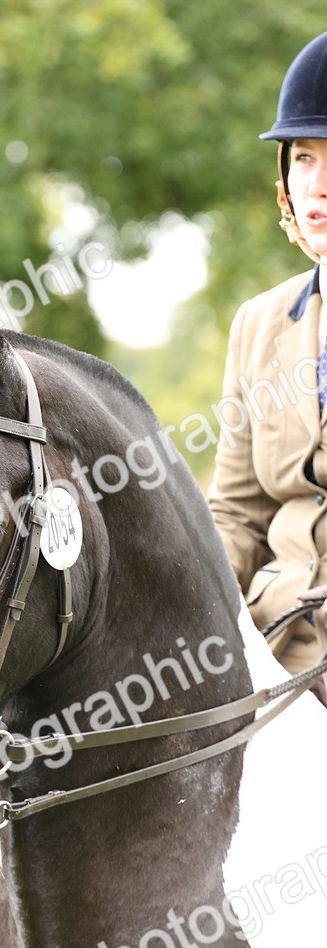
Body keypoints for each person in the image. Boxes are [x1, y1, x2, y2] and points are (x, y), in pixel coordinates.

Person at [207, 31, 327, 707]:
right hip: (275, 644)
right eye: (303, 157)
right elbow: (238, 514)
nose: (317, 185)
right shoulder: (259, 322)